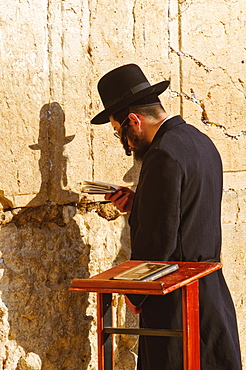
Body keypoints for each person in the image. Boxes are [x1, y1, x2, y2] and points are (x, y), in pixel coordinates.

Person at [91, 64, 242, 369]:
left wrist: (137, 295)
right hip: (208, 293)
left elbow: (159, 240)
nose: (126, 145)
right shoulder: (199, 141)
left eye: (121, 134)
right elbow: (187, 210)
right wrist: (141, 202)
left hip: (176, 302)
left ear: (134, 120)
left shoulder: (163, 154)